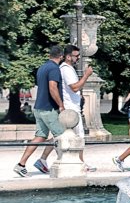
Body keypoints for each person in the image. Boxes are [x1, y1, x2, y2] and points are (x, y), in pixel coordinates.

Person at [13, 46, 65, 177]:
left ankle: (21, 164)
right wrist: (61, 105)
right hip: (49, 108)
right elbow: (52, 87)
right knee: (62, 135)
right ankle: (65, 164)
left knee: (40, 136)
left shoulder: (42, 67)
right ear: (61, 56)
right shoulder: (54, 68)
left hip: (38, 107)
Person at [59, 45, 95, 171]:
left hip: (73, 106)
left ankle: (80, 162)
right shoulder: (66, 69)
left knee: (77, 136)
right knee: (78, 136)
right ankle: (80, 163)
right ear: (68, 57)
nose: (78, 58)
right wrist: (86, 75)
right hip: (71, 108)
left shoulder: (68, 68)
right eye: (76, 56)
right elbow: (74, 87)